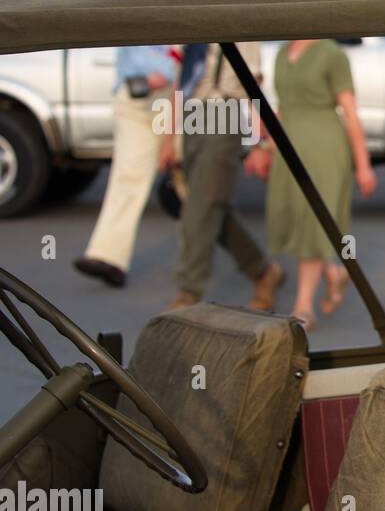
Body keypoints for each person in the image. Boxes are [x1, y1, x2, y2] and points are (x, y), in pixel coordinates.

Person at [244, 39, 376, 330]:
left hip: (324, 149)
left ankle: (304, 306)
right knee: (290, 217)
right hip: (288, 147)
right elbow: (282, 108)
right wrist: (262, 147)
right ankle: (335, 271)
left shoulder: (332, 55)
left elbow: (350, 112)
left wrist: (363, 165)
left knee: (314, 222)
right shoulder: (281, 54)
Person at [162, 42, 284, 311]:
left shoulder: (239, 30)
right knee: (210, 206)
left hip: (223, 113)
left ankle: (188, 291)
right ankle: (262, 271)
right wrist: (170, 137)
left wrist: (260, 142)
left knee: (202, 205)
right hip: (192, 115)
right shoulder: (192, 33)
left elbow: (252, 84)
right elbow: (179, 82)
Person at [74, 45, 179, 288]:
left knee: (191, 182)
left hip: (179, 98)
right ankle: (108, 256)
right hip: (138, 97)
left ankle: (244, 263)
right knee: (128, 178)